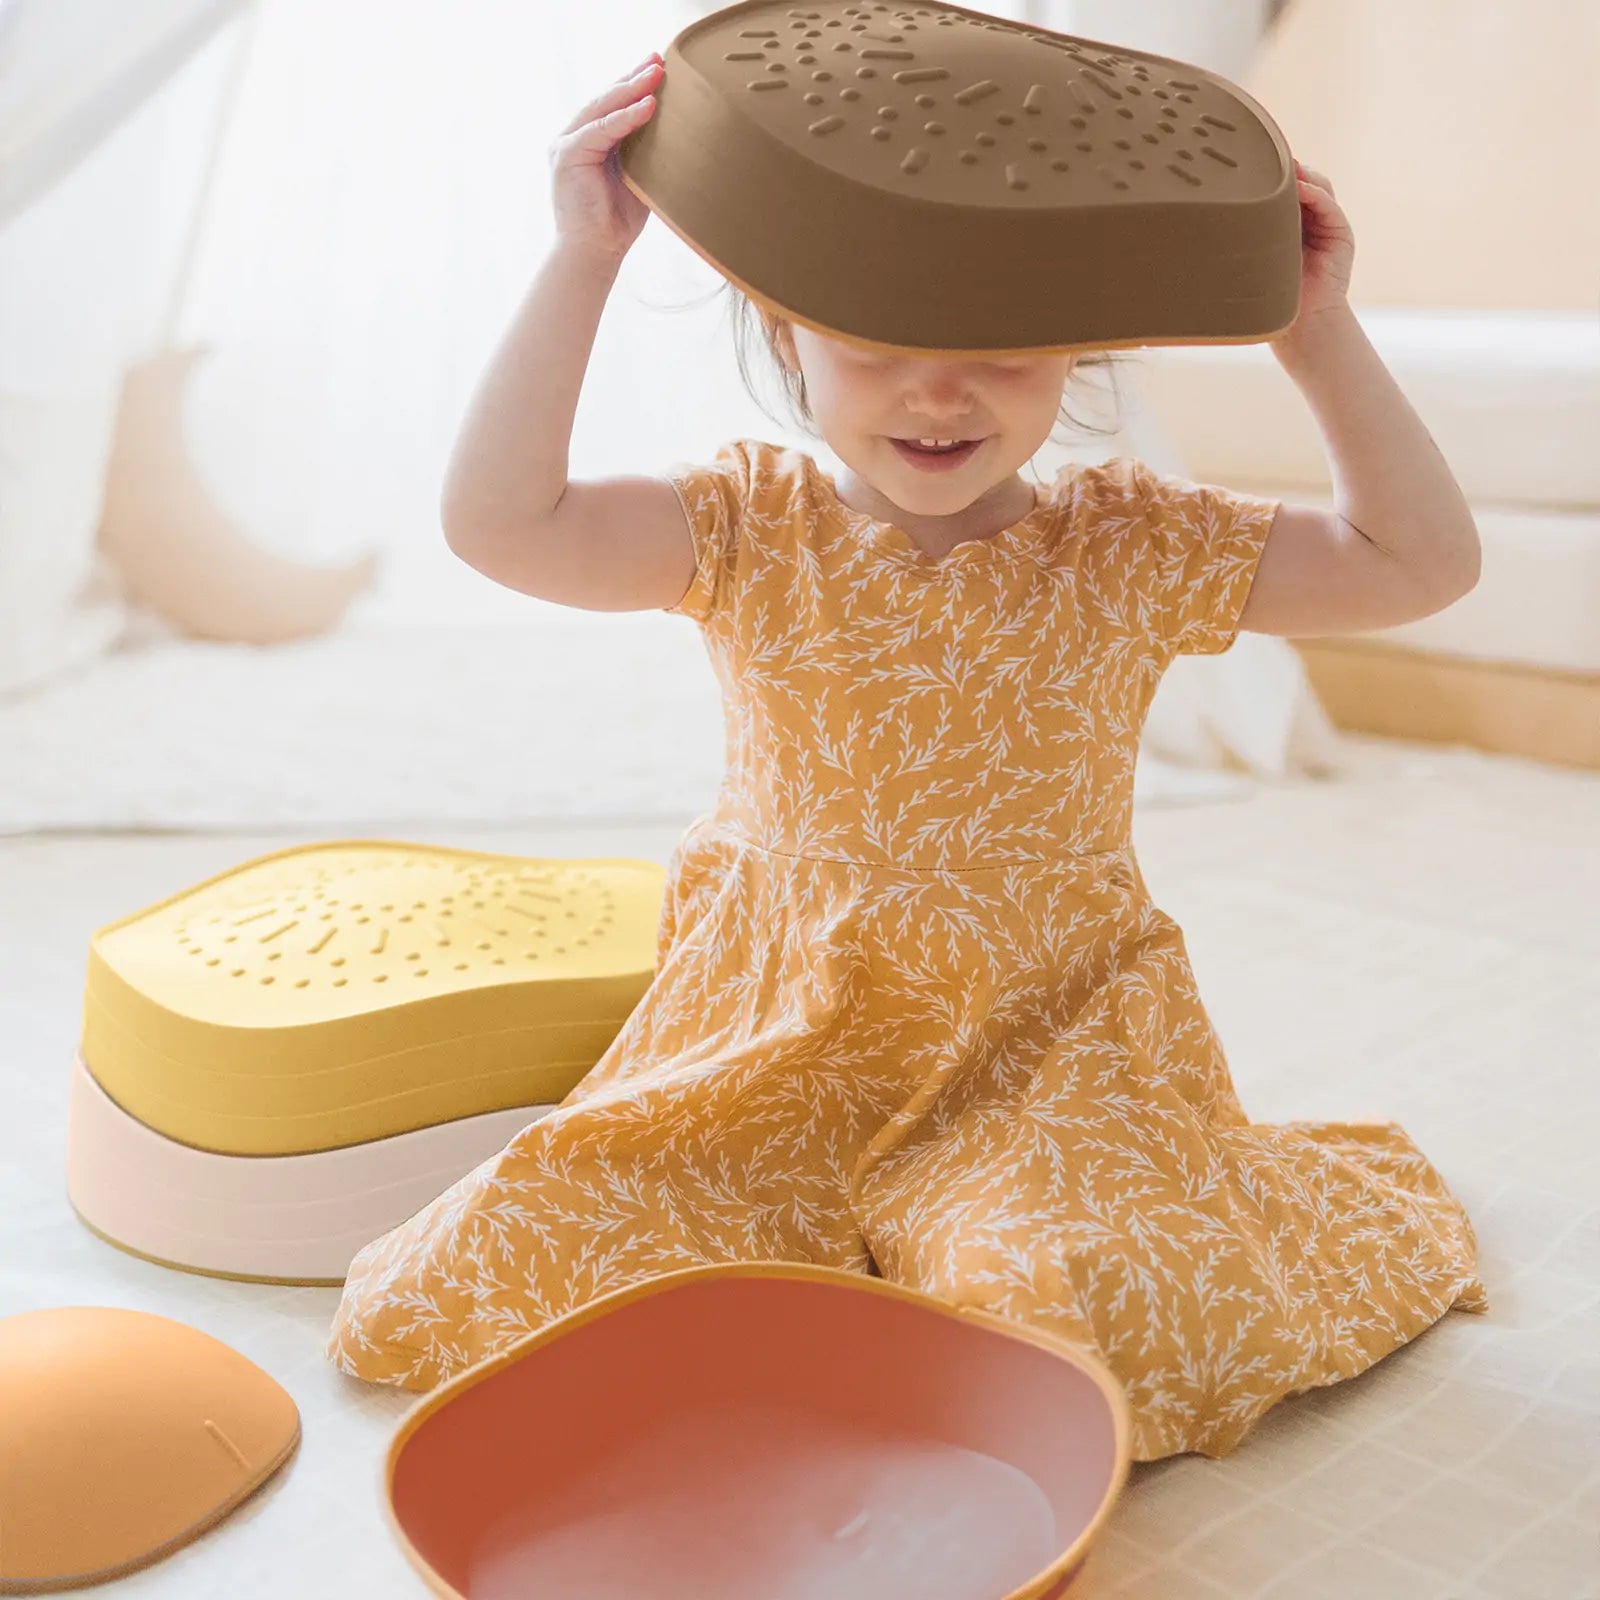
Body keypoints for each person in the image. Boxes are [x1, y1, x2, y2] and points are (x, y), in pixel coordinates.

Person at [326, 48, 1488, 1462]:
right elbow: (504, 523)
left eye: (1005, 349)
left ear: (1084, 350)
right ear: (783, 328)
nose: (940, 396)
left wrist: (1314, 331)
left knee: (1056, 1307)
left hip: (1044, 1043)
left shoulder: (1128, 544)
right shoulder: (749, 525)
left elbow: (1418, 562)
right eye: (875, 342)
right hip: (775, 1039)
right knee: (500, 1263)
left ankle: (966, 1271)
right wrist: (584, 261)